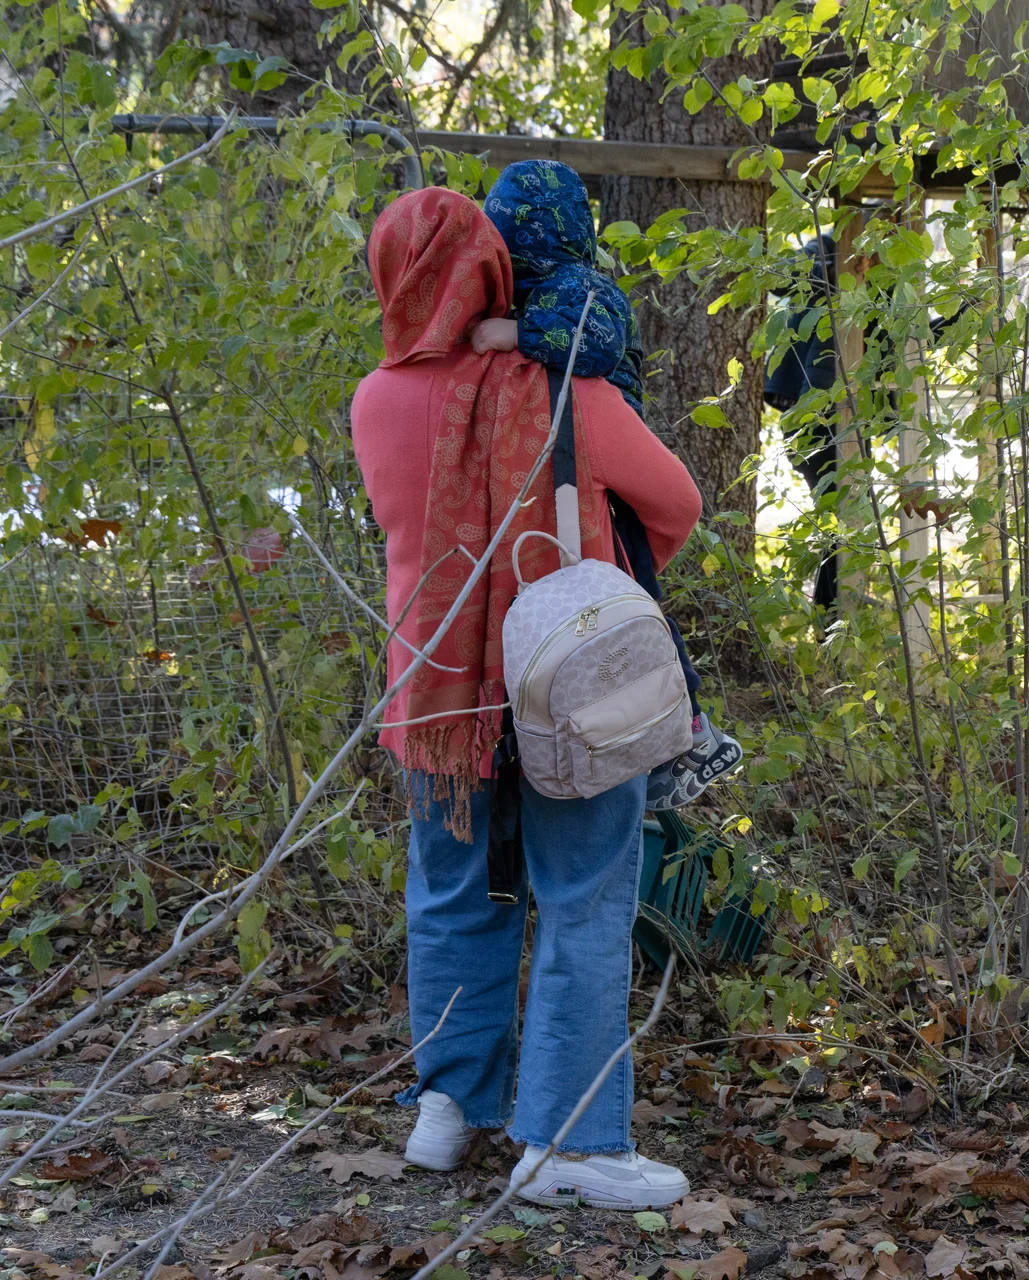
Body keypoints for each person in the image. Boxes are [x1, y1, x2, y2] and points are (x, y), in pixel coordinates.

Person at [350, 186, 694, 1209]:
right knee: (584, 895)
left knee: (453, 893)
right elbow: (677, 499)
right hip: (564, 684)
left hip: (435, 699)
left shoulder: (375, 397)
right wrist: (604, 572)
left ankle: (447, 1113)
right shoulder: (561, 387)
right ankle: (571, 1144)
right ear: (494, 268)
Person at [471, 158, 742, 811]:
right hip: (575, 476)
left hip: (609, 484)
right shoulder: (543, 286)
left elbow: (594, 347)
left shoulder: (586, 287)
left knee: (640, 610)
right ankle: (655, 738)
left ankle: (691, 731)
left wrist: (517, 333)